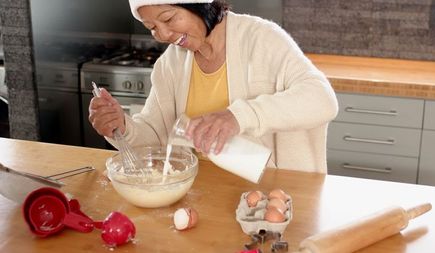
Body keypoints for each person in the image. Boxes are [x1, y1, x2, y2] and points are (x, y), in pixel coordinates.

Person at [88, 0, 338, 173]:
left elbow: (322, 99)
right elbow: (155, 136)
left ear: (199, 4)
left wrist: (237, 116)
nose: (163, 35)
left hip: (273, 199)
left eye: (169, 18)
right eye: (152, 27)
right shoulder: (171, 64)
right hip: (202, 196)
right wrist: (122, 127)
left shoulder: (262, 39)